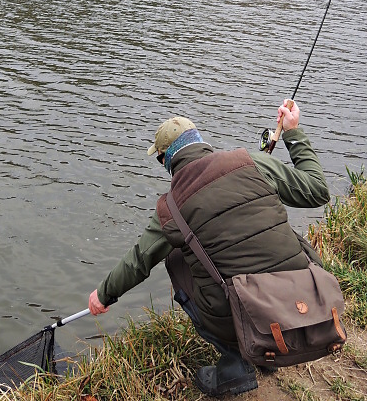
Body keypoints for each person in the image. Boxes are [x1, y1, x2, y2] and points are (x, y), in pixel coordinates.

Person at [88, 101, 330, 396]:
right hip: (303, 296)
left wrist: (102, 294)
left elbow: (139, 260)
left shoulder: (171, 206)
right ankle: (270, 345)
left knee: (177, 255)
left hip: (241, 314)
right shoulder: (254, 161)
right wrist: (293, 132)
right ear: (200, 142)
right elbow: (317, 190)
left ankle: (235, 358)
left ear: (167, 160)